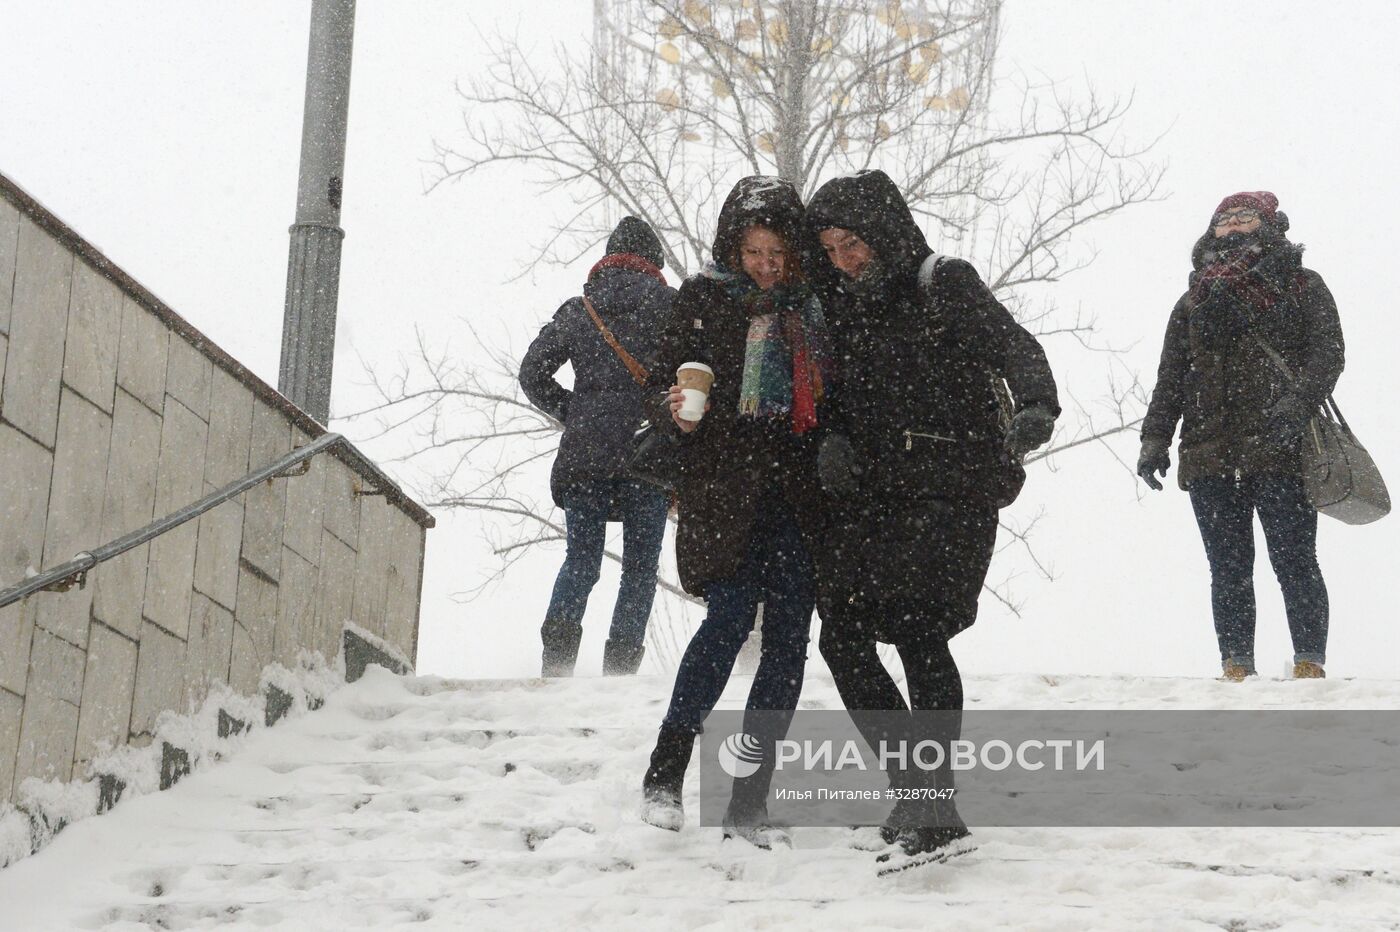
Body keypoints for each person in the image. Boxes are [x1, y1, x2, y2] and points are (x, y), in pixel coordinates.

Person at [805, 169, 1060, 862]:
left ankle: (932, 799)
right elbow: (838, 392)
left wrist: (1036, 403)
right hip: (876, 493)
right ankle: (918, 788)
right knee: (844, 639)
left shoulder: (941, 281)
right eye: (829, 248)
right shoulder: (844, 305)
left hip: (951, 485)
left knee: (919, 634)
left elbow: (1016, 348)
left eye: (852, 242)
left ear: (882, 231)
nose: (844, 259)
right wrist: (830, 436)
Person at [639, 176, 830, 848]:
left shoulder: (816, 306)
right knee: (726, 621)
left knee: (786, 642)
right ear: (733, 246)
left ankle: (749, 798)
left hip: (799, 496)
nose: (767, 265)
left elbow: (837, 399)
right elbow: (663, 376)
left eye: (777, 253)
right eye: (754, 252)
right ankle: (664, 774)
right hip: (722, 488)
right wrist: (673, 410)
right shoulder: (704, 298)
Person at [1138, 191, 1343, 681]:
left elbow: (1328, 355)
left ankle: (1309, 663)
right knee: (1228, 570)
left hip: (1280, 448)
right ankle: (1235, 667)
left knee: (1295, 562)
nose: (1232, 226)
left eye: (1244, 217)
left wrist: (1293, 409)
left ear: (1268, 224)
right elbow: (1171, 378)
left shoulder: (1301, 285)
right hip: (1208, 452)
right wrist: (1154, 439)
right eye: (1223, 219)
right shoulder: (1193, 301)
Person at [519, 217, 676, 677]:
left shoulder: (580, 308)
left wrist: (577, 413)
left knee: (581, 561)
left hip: (587, 456)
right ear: (655, 263)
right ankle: (620, 672)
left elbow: (532, 375)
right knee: (640, 570)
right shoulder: (673, 307)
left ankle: (557, 664)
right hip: (649, 455)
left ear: (608, 258)